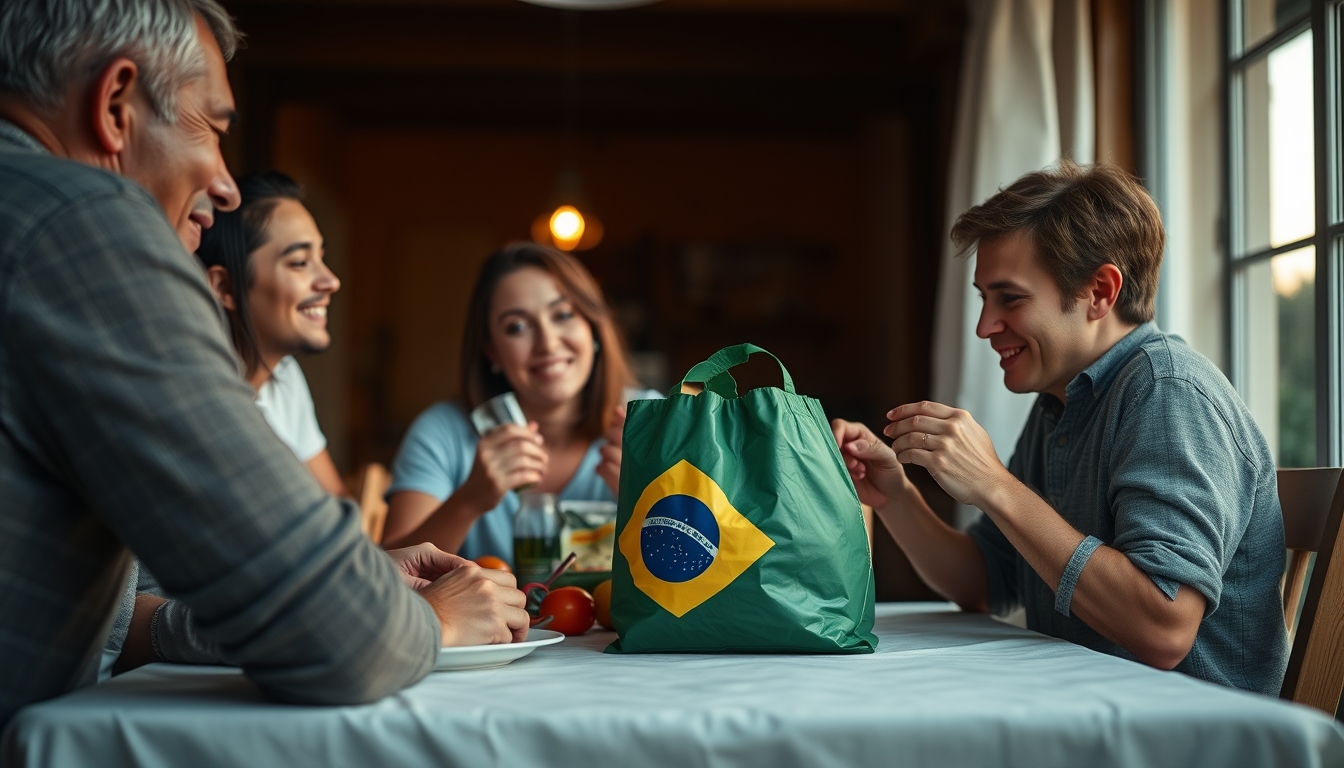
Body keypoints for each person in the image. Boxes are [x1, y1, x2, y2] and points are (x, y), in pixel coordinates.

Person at [0, 0, 527, 726]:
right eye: (212, 130)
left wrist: (364, 580)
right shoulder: (83, 223)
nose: (224, 183)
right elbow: (338, 637)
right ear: (115, 102)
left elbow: (114, 608)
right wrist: (428, 625)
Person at [833, 160, 1288, 695]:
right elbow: (987, 582)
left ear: (1099, 291)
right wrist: (896, 497)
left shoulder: (1167, 393)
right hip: (1096, 711)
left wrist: (996, 486)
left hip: (1195, 735)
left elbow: (1163, 628)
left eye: (1011, 298)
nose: (985, 327)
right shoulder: (1062, 403)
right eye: (984, 299)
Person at [383, 243, 657, 564]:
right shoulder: (442, 430)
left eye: (563, 314)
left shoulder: (650, 421)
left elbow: (711, 564)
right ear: (491, 351)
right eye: (517, 326)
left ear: (593, 328)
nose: (548, 343)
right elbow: (389, 572)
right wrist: (470, 500)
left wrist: (646, 495)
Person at [196, 171, 347, 497]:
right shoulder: (198, 406)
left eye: (320, 257)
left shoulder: (285, 379)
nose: (330, 281)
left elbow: (336, 503)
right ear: (225, 286)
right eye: (299, 262)